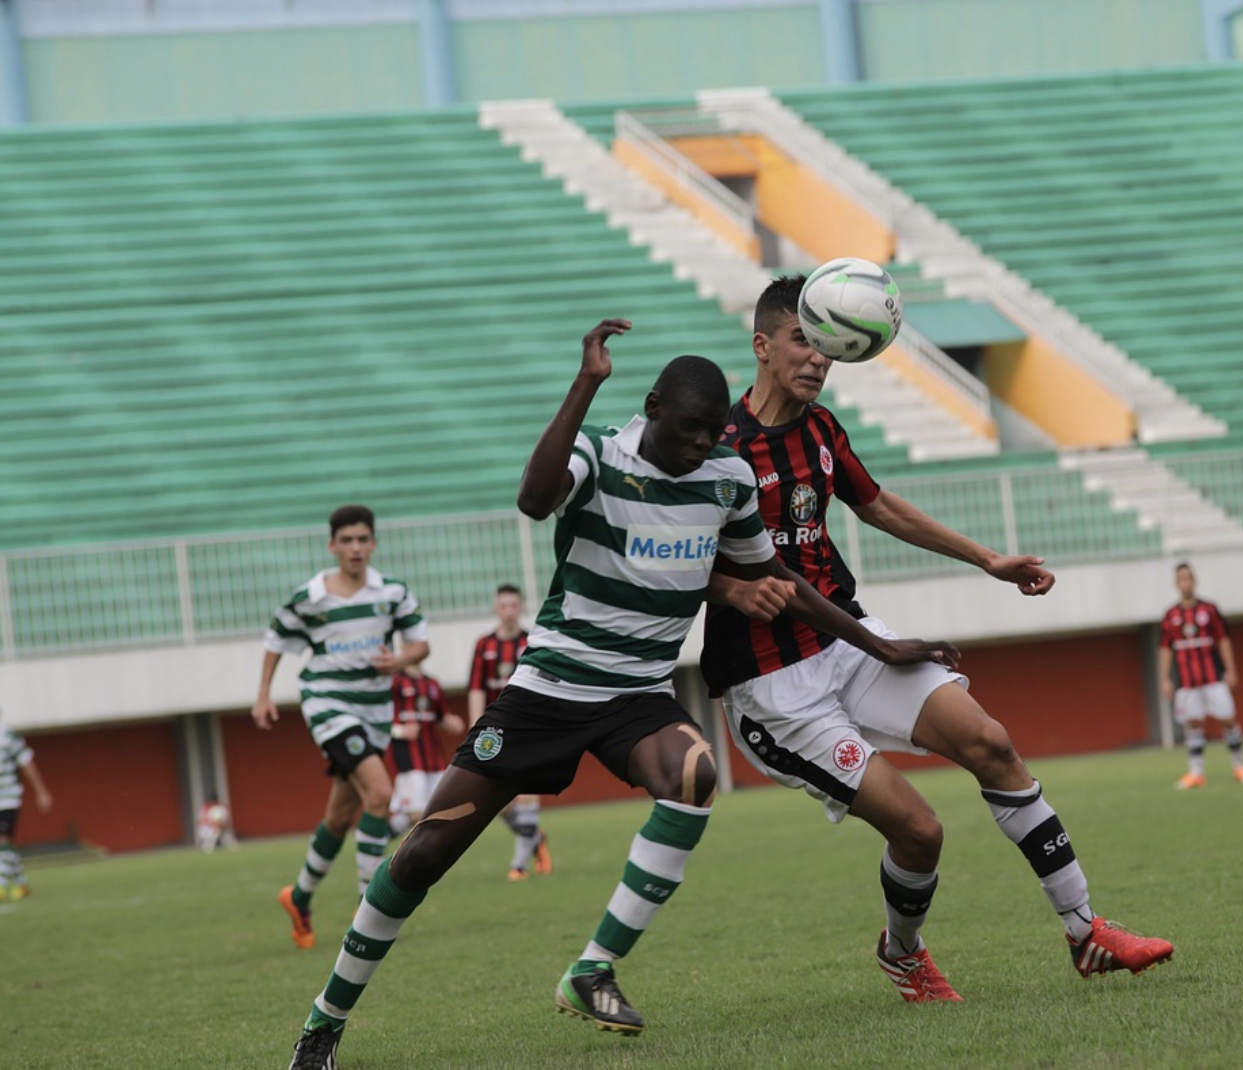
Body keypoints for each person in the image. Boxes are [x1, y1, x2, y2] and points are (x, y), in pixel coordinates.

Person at [285, 320, 956, 1070]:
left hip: (636, 695)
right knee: (425, 853)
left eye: (713, 431)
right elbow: (535, 499)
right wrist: (584, 383)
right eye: (690, 429)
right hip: (550, 689)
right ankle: (325, 1022)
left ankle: (593, 968)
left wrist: (882, 645)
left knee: (694, 774)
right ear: (653, 406)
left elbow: (781, 584)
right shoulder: (600, 452)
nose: (703, 443)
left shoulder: (727, 478)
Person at [701, 276, 1173, 1005]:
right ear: (761, 347)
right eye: (802, 338)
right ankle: (903, 953)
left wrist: (988, 560)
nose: (819, 356)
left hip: (849, 644)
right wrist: (732, 591)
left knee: (991, 742)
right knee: (921, 831)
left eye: (826, 343)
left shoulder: (823, 431)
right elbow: (668, 562)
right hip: (773, 688)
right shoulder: (720, 452)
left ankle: (1086, 935)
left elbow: (880, 504)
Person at [253, 504, 431, 951]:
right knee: (380, 793)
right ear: (332, 545)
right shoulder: (311, 596)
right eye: (346, 540)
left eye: (362, 539)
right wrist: (263, 693)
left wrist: (401, 659)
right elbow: (275, 640)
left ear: (373, 543)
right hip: (328, 705)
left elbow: (421, 644)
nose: (355, 548)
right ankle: (368, 905)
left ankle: (298, 897)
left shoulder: (392, 592)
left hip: (374, 712)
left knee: (339, 817)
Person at [466, 584, 553, 881]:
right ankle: (536, 839)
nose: (509, 611)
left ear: (521, 607)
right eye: (503, 605)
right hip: (493, 732)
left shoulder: (533, 641)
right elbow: (476, 688)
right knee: (498, 801)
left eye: (514, 605)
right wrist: (475, 727)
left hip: (527, 727)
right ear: (496, 609)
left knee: (527, 794)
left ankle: (519, 866)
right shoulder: (483, 645)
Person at [1159, 562, 1243, 790]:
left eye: (1189, 577)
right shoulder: (1170, 615)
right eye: (1182, 578)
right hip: (1187, 681)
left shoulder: (1209, 610)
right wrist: (1164, 678)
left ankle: (1239, 766)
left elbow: (1223, 639)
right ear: (1176, 583)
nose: (1186, 582)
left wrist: (1231, 670)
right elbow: (1165, 647)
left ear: (1195, 580)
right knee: (1193, 724)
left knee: (1228, 719)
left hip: (1213, 678)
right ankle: (1196, 773)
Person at [385, 662, 465, 837]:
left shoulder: (432, 683)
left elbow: (441, 715)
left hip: (434, 757)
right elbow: (379, 718)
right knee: (417, 813)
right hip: (408, 757)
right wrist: (399, 730)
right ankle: (382, 838)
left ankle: (384, 836)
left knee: (436, 810)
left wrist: (451, 722)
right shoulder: (394, 682)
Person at [0, 714, 52, 900]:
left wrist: (41, 791)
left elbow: (27, 763)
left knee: (3, 840)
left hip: (8, 797)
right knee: (5, 845)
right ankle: (21, 885)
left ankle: (2, 885)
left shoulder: (8, 736)